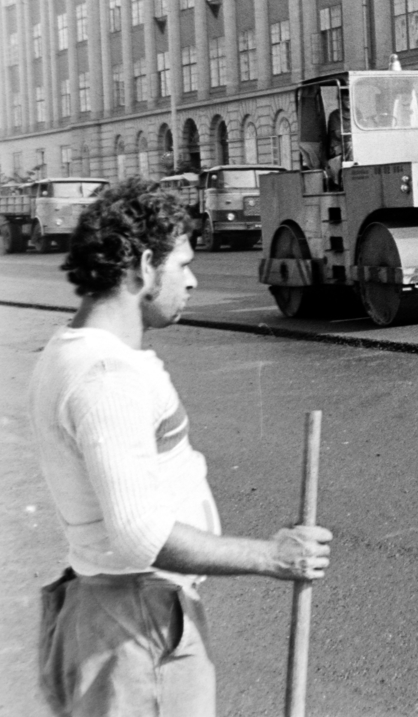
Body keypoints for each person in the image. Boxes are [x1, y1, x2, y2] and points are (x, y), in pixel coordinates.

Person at [33, 180, 332, 717]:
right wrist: (274, 557)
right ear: (145, 266)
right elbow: (139, 534)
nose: (192, 281)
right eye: (183, 265)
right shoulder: (107, 375)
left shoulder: (74, 350)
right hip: (135, 624)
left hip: (117, 612)